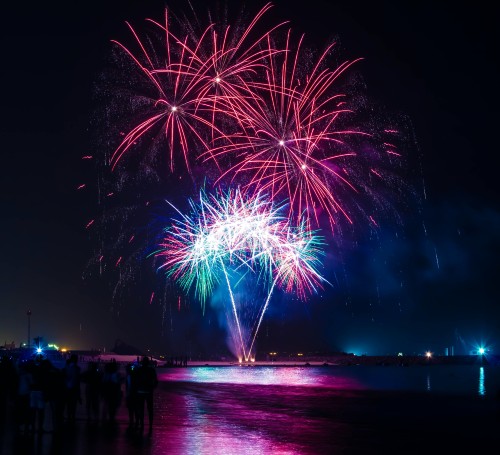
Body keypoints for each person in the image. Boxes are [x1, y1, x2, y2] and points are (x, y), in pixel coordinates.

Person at [135, 356, 158, 434]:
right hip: (148, 392)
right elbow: (156, 381)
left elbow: (135, 381)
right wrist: (152, 388)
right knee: (150, 409)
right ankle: (150, 426)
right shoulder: (151, 370)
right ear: (148, 363)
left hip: (140, 392)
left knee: (141, 409)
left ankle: (142, 425)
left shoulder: (139, 370)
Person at [63, 354, 81, 424]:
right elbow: (77, 381)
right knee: (73, 405)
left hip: (67, 388)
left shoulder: (66, 368)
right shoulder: (77, 369)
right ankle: (72, 418)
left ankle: (68, 417)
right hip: (74, 388)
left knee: (68, 404)